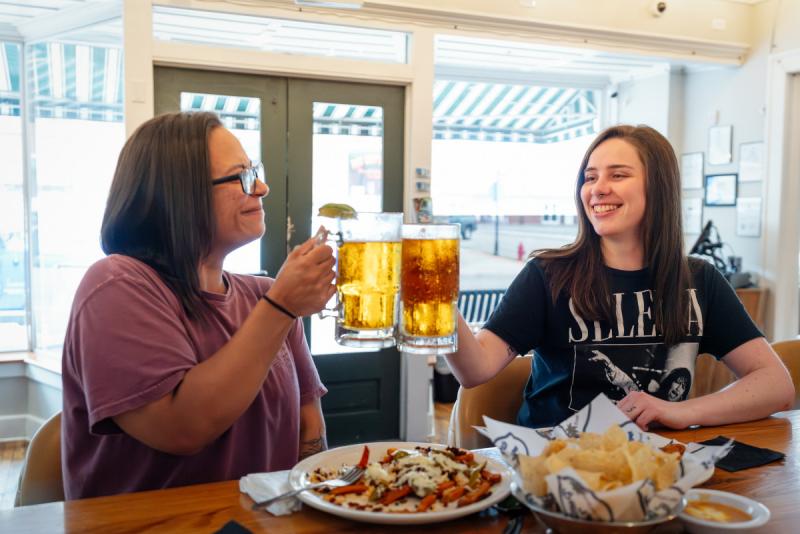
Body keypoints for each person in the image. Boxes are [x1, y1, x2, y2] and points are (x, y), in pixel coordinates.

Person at [446, 124, 795, 431]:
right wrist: (437, 299)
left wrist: (680, 411)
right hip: (554, 465)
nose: (597, 189)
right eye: (590, 176)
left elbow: (776, 386)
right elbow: (475, 370)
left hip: (656, 466)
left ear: (657, 187)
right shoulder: (547, 275)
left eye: (617, 175)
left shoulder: (699, 280)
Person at [61, 112, 336, 499]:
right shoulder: (116, 284)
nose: (262, 187)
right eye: (241, 176)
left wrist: (316, 506)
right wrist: (282, 307)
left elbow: (310, 428)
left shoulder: (264, 294)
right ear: (178, 193)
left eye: (255, 171)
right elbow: (181, 429)